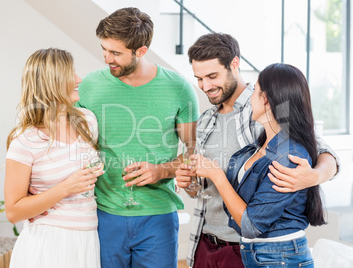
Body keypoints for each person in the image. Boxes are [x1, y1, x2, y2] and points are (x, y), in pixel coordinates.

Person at [175, 32, 340, 268]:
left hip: (245, 247)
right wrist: (190, 183)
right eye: (199, 78)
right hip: (205, 243)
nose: (205, 86)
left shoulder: (266, 108)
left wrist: (312, 176)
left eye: (212, 76)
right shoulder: (206, 121)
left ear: (234, 64)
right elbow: (204, 189)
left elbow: (320, 149)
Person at [75, 7, 199, 268]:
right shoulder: (89, 87)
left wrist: (162, 171)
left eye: (116, 53)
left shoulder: (179, 88)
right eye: (104, 49)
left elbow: (194, 152)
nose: (108, 58)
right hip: (103, 214)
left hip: (158, 217)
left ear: (141, 51)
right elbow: (74, 144)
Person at [193, 63, 325, 267]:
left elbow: (250, 224)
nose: (249, 97)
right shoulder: (261, 146)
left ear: (265, 99)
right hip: (257, 254)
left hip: (279, 257)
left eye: (254, 90)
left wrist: (217, 175)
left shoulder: (288, 156)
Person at [5, 48, 103, 267]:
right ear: (52, 83)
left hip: (88, 238)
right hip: (48, 244)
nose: (79, 79)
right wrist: (64, 188)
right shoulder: (25, 141)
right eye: (71, 75)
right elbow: (13, 211)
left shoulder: (87, 121)